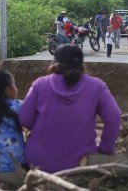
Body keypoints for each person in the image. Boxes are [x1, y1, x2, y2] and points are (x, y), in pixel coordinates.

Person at [19, 45, 121, 173]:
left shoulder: (40, 84)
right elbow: (114, 117)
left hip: (37, 163)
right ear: (81, 65)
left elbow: (24, 119)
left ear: (54, 63)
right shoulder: (97, 86)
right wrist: (105, 150)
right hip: (80, 164)